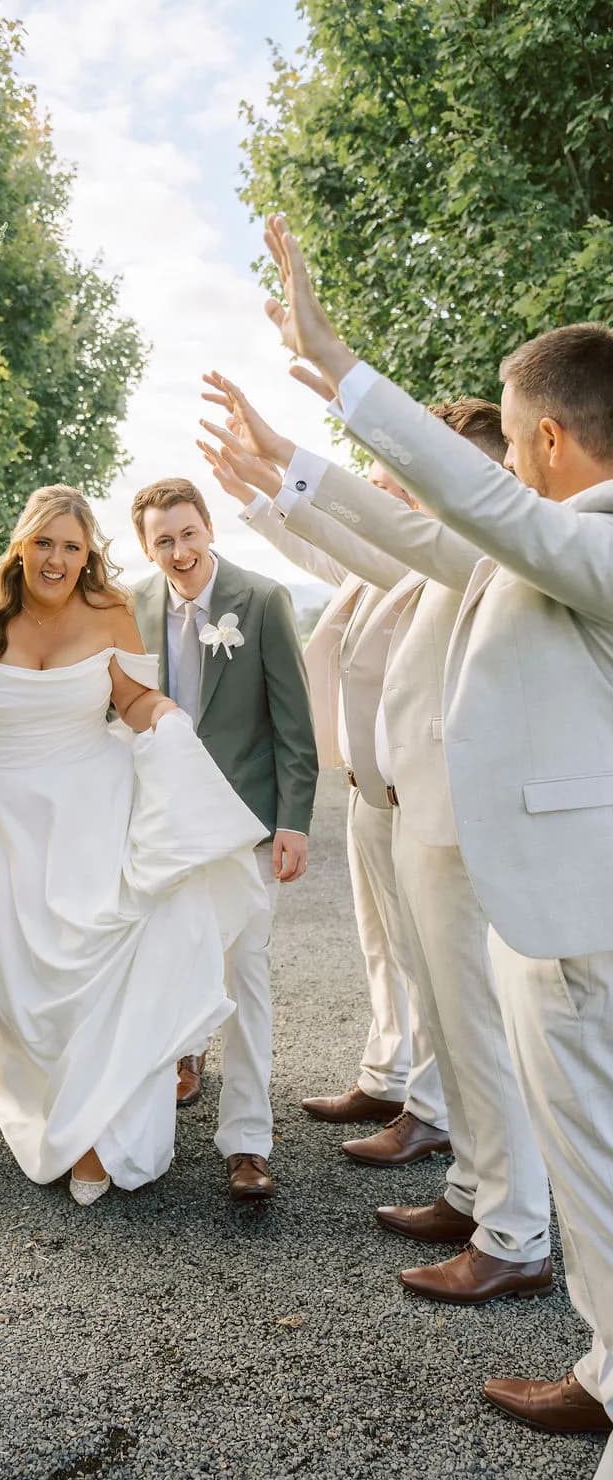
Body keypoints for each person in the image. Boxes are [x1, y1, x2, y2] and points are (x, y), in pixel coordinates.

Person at [259, 213, 613, 1459]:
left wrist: (341, 366)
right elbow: (422, 534)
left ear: (550, 439)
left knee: (599, 1167)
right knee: (587, 1165)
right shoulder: (556, 544)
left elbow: (464, 510)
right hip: (540, 905)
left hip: (574, 912)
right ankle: (607, 1361)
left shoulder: (599, 538)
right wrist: (289, 471)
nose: (502, 466)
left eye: (512, 444)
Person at [206, 380, 554, 1303]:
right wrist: (269, 478)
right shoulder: (453, 558)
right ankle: (477, 1189)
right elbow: (357, 538)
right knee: (450, 1023)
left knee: (480, 1034)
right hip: (412, 816)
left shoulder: (489, 552)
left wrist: (286, 459)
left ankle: (516, 1232)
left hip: (456, 825)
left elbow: (382, 532)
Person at [0, 486, 268, 1206]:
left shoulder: (108, 611)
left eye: (72, 546)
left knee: (100, 958)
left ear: (88, 552)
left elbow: (131, 700)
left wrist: (164, 717)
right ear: (21, 543)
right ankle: (36, 1083)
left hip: (91, 808)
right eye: (45, 543)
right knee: (17, 976)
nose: (58, 559)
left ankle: (97, 1132)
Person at [198, 402, 449, 1154]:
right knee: (382, 946)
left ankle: (430, 1110)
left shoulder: (424, 558)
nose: (371, 496)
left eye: (380, 486)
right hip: (371, 790)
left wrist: (280, 468)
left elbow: (334, 528)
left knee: (426, 956)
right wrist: (250, 490)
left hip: (418, 794)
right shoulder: (367, 569)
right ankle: (387, 1076)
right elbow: (312, 543)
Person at [129, 478, 318, 1201]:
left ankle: (248, 1141)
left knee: (248, 977)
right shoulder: (133, 607)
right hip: (165, 827)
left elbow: (293, 724)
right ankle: (171, 1077)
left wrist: (293, 820)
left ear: (208, 527)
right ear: (147, 547)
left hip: (244, 825)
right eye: (162, 540)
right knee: (165, 960)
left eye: (187, 533)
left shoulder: (263, 600)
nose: (178, 551)